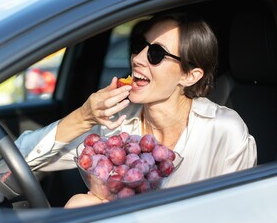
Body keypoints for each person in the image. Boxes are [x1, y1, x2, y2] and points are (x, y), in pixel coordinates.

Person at [15, 12, 257, 208]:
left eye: (156, 54)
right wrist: (84, 116)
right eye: (139, 45)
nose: (137, 58)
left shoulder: (223, 130)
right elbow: (20, 160)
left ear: (189, 75)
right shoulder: (116, 122)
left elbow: (243, 214)